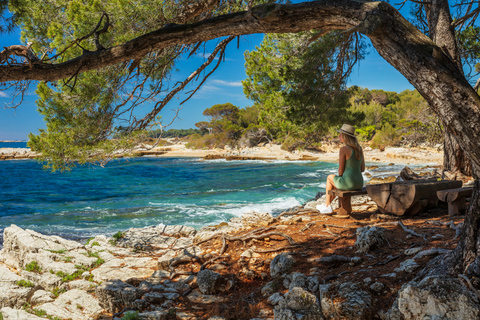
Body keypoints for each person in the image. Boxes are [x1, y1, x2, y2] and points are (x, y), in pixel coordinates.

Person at [317, 124, 365, 214]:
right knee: (336, 183)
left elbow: (340, 172)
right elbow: (362, 169)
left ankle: (327, 204)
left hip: (348, 183)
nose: (339, 136)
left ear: (345, 136)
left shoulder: (344, 149)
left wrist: (343, 178)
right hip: (359, 183)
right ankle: (326, 205)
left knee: (329, 178)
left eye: (341, 134)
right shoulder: (359, 149)